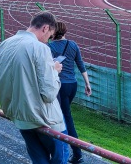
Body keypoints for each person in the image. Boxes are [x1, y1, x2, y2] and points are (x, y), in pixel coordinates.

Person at [0, 11, 69, 164]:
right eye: (49, 36)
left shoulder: (5, 44)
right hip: (45, 119)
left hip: (19, 116)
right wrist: (54, 71)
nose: (48, 41)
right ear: (45, 28)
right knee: (60, 157)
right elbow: (49, 93)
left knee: (38, 159)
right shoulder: (40, 48)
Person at [48, 22, 92, 164]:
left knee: (65, 119)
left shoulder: (50, 47)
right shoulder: (73, 45)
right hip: (73, 85)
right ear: (65, 31)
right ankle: (68, 151)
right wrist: (87, 83)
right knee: (63, 115)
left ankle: (76, 153)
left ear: (53, 32)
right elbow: (80, 64)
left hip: (60, 86)